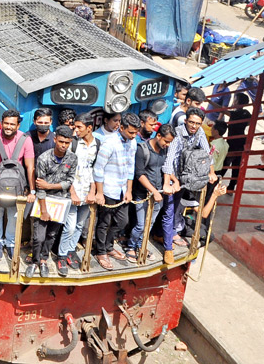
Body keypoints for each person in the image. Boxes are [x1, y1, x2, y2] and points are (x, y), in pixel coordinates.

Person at [0, 109, 35, 261]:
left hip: (17, 187)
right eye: (6, 123)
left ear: (18, 125)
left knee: (14, 216)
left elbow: (30, 167)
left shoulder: (25, 139)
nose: (8, 127)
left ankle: (11, 244)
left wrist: (31, 191)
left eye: (12, 124)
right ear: (1, 123)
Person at [27, 125, 77, 278]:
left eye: (67, 143)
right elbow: (40, 187)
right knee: (38, 236)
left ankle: (43, 260)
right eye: (61, 141)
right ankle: (34, 262)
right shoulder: (43, 158)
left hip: (61, 202)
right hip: (44, 202)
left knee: (52, 235)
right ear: (55, 139)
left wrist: (50, 185)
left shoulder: (72, 158)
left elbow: (69, 181)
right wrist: (43, 210)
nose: (63, 145)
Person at [92, 112, 140, 270]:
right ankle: (100, 251)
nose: (134, 136)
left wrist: (129, 190)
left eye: (135, 132)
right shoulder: (109, 142)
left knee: (122, 221)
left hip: (122, 190)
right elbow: (98, 169)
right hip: (108, 189)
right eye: (131, 132)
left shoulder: (132, 143)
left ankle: (108, 246)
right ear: (122, 127)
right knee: (104, 223)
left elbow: (130, 168)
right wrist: (99, 193)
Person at [56, 111, 101, 276]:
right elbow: (66, 171)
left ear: (89, 128)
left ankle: (70, 251)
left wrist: (93, 191)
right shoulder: (74, 144)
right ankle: (61, 255)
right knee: (70, 226)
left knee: (80, 225)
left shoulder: (98, 144)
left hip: (86, 192)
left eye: (79, 127)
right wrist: (72, 192)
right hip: (72, 191)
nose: (75, 130)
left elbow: (96, 170)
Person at [162, 107, 211, 248]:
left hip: (184, 178)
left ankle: (168, 233)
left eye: (197, 123)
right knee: (168, 211)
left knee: (176, 208)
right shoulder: (177, 134)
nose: (194, 126)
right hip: (171, 177)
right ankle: (168, 247)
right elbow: (169, 161)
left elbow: (207, 153)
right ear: (185, 121)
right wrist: (168, 182)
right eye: (191, 122)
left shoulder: (199, 132)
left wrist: (211, 172)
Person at [127, 124, 175, 264]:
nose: (167, 145)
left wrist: (174, 181)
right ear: (158, 136)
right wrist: (153, 191)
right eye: (166, 141)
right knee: (141, 224)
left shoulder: (164, 151)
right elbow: (139, 174)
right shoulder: (142, 149)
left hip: (158, 195)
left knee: (150, 223)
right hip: (143, 194)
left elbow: (166, 169)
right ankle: (131, 246)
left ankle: (142, 246)